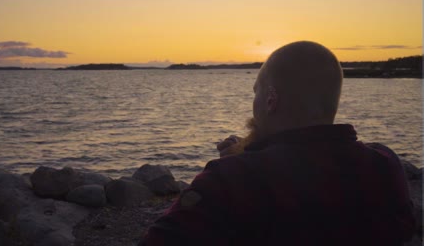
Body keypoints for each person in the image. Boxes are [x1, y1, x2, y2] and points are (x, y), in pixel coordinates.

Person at [139, 41, 416, 245]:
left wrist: (233, 170)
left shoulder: (229, 180)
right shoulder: (385, 164)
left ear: (271, 99)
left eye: (256, 92)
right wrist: (246, 158)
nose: (254, 103)